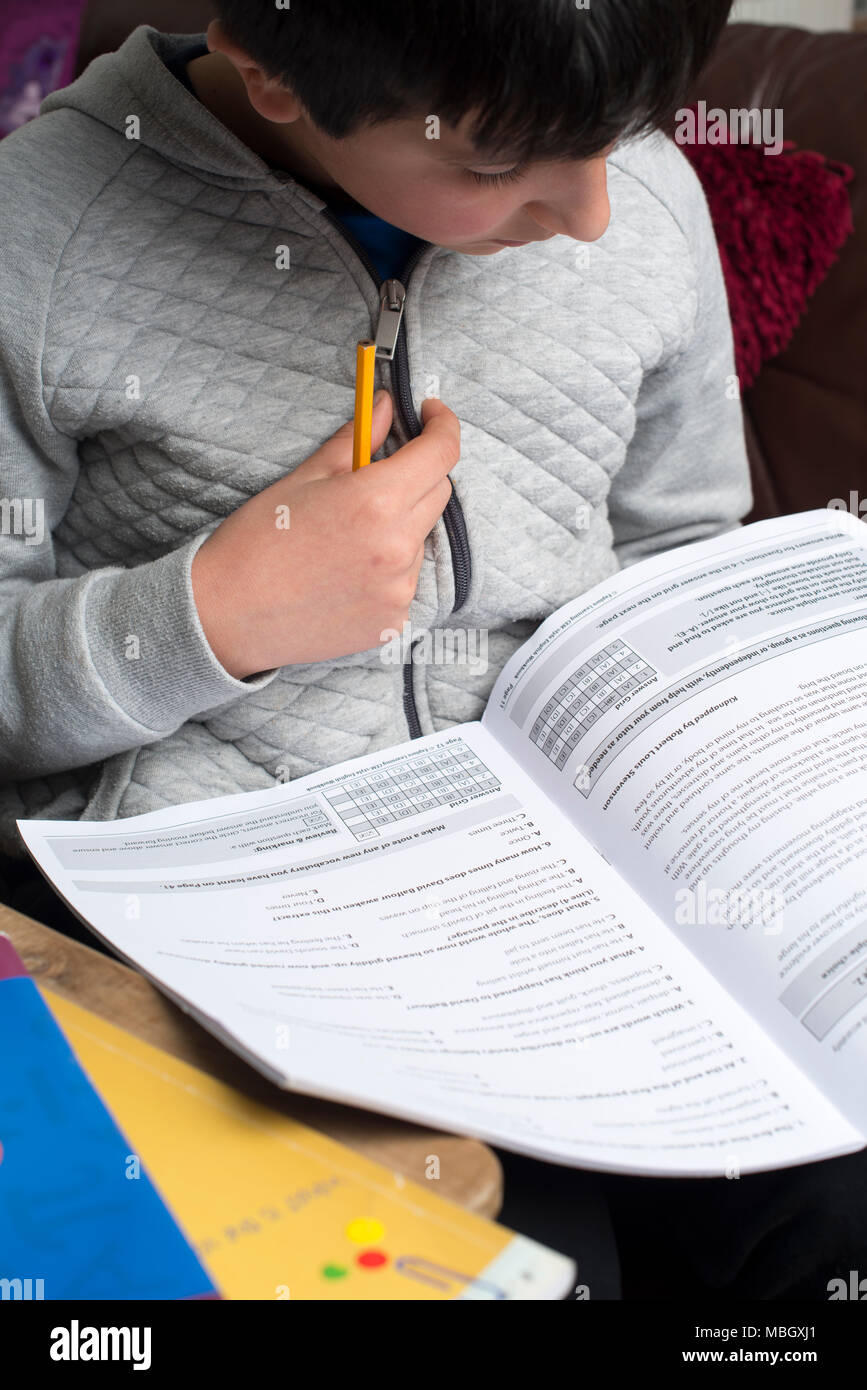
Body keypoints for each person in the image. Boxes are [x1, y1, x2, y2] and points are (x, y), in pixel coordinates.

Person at [9, 0, 859, 1302]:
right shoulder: (38, 229)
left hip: (585, 910)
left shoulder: (640, 193)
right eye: (498, 162)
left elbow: (682, 546)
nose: (595, 212)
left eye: (624, 133)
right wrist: (211, 616)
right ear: (268, 65)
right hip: (238, 942)